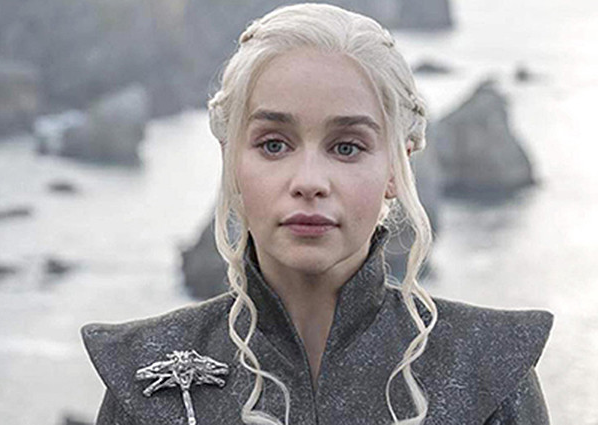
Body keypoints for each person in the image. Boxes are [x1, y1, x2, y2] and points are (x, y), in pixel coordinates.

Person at [81, 3, 554, 424]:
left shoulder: (489, 369)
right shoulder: (144, 380)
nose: (309, 181)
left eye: (346, 147)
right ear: (231, 159)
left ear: (396, 166)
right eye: (274, 144)